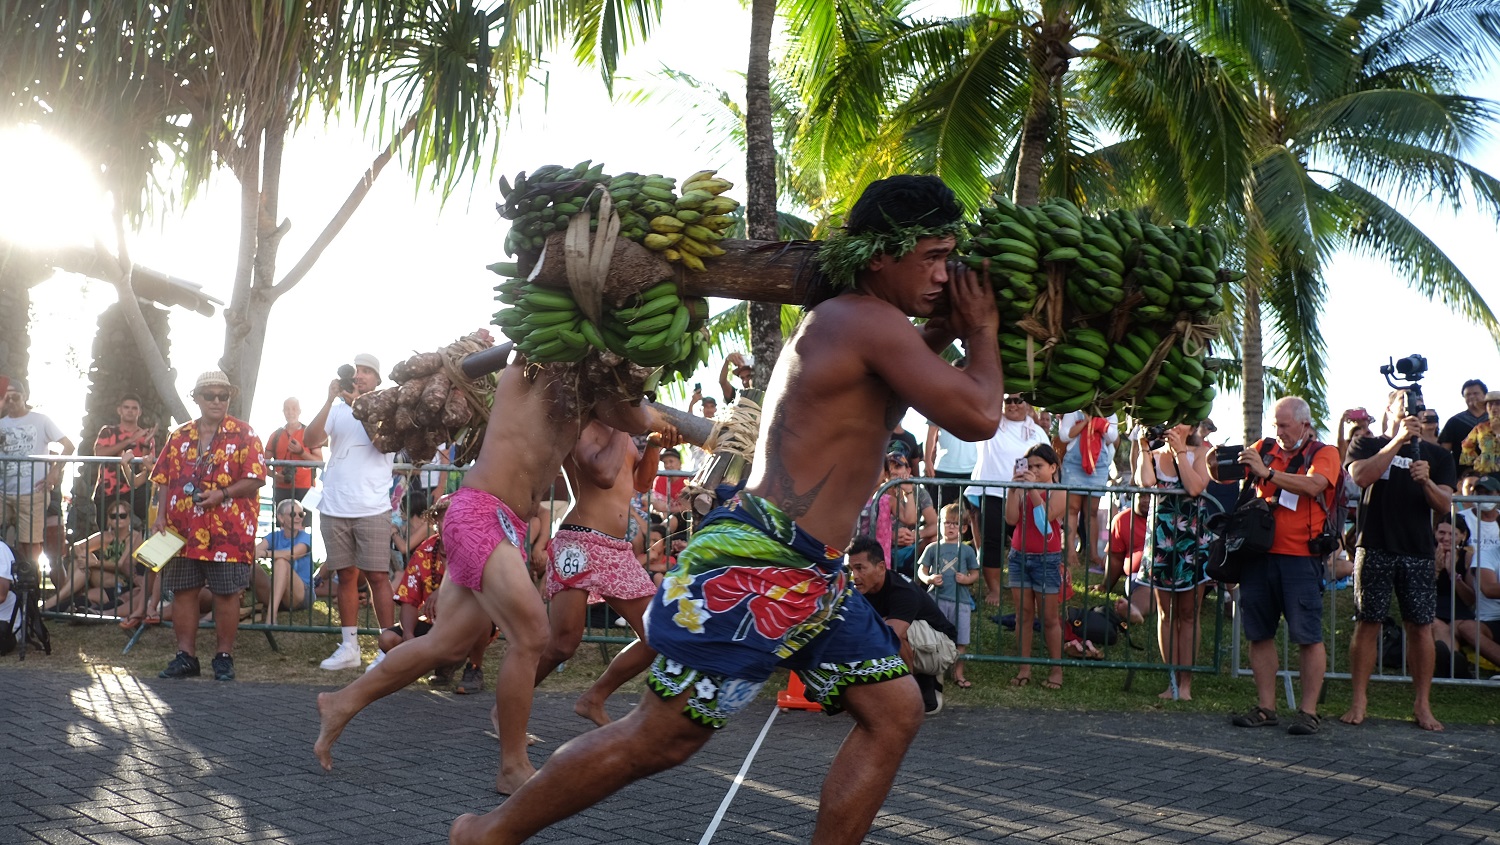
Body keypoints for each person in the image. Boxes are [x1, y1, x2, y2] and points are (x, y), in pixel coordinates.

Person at [448, 173, 1003, 845]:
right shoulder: (865, 320)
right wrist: (980, 331)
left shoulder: (864, 325)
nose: (947, 273)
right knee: (657, 739)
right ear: (881, 256)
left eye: (951, 257)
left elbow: (897, 389)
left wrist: (943, 333)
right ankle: (491, 832)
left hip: (812, 572)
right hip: (758, 566)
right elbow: (978, 415)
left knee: (895, 709)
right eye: (933, 257)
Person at [314, 347, 664, 796]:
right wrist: (638, 413)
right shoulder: (531, 366)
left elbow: (634, 419)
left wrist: (648, 414)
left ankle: (341, 703)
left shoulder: (583, 391)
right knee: (533, 635)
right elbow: (625, 428)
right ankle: (513, 766)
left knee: (448, 642)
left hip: (508, 524)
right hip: (480, 512)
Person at [535, 421, 674, 727]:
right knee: (563, 645)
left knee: (657, 633)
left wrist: (653, 444)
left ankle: (593, 699)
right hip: (579, 541)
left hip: (617, 548)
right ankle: (509, 704)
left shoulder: (621, 434)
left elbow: (641, 483)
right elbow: (604, 474)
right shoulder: (581, 425)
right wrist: (626, 426)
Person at [1342, 389, 1456, 730]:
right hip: (1374, 545)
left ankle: (1422, 705)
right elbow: (1360, 476)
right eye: (1403, 407)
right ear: (1389, 410)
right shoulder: (1368, 444)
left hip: (1417, 550)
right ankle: (1359, 701)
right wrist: (1397, 444)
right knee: (1368, 623)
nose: (1411, 414)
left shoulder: (1437, 456)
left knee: (1421, 627)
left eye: (1416, 410)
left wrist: (1426, 482)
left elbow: (1443, 504)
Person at [1224, 396, 1338, 735]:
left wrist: (1268, 472)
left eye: (1284, 425)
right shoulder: (1265, 447)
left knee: (1308, 635)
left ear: (1304, 424)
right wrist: (1217, 455)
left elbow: (1316, 484)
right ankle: (1266, 707)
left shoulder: (1323, 453)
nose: (1279, 431)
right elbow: (1226, 473)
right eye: (1276, 425)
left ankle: (1308, 712)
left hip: (1301, 558)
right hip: (1258, 555)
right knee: (1259, 632)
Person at [150, 371, 267, 682]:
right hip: (181, 528)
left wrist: (223, 494)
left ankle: (223, 657)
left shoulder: (245, 434)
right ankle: (186, 656)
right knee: (183, 592)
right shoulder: (178, 436)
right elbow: (163, 478)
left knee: (227, 594)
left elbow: (256, 477)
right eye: (210, 395)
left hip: (229, 530)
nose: (217, 401)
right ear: (197, 398)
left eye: (223, 396)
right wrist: (160, 516)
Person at [304, 353, 396, 672]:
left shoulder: (388, 406)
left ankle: (388, 650)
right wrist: (329, 399)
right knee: (345, 576)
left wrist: (360, 405)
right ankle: (350, 647)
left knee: (378, 577)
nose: (359, 375)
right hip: (334, 504)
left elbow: (382, 443)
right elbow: (310, 439)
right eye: (356, 370)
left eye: (367, 371)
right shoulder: (338, 407)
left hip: (372, 506)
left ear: (378, 379)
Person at [1133, 423, 1214, 701]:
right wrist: (1144, 446)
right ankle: (1171, 682)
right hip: (1161, 543)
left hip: (1192, 543)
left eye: (1182, 420)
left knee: (1189, 614)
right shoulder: (1154, 455)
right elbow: (1145, 482)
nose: (1175, 426)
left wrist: (1181, 453)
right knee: (1165, 614)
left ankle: (1186, 683)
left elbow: (1194, 487)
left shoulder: (1201, 453)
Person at [848, 537, 960, 713]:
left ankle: (911, 691)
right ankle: (921, 680)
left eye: (860, 568)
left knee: (887, 632)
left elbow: (890, 637)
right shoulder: (858, 590)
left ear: (881, 568)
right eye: (851, 569)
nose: (854, 575)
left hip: (943, 647)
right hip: (919, 641)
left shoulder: (902, 591)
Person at [965, 393, 1048, 604]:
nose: (1012, 404)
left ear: (1027, 404)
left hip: (1027, 495)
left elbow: (1048, 462)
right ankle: (994, 589)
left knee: (1028, 542)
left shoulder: (1037, 432)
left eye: (1017, 400)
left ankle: (1030, 585)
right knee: (991, 541)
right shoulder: (989, 424)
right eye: (1007, 400)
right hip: (992, 492)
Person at [1004, 443, 1067, 689]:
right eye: (1029, 466)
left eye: (1038, 466)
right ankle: (1024, 668)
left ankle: (1057, 671)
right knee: (1023, 616)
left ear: (1053, 467)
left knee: (1050, 618)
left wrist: (1030, 490)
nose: (1033, 470)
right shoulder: (1022, 488)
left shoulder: (1059, 491)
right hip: (1019, 557)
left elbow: (1043, 524)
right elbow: (1011, 519)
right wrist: (1013, 489)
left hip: (1046, 559)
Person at [0, 379, 74, 571]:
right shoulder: (1, 422)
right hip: (2, 492)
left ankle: (30, 593)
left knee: (30, 546)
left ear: (24, 396)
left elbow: (68, 445)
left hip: (32, 493)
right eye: (6, 398)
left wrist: (55, 471)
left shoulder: (41, 420)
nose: (10, 402)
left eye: (14, 397)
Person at [917, 503, 979, 688]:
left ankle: (958, 673)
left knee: (961, 638)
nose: (950, 527)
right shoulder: (932, 548)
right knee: (935, 637)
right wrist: (928, 579)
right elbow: (922, 571)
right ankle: (936, 672)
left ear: (964, 528)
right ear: (939, 525)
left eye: (955, 523)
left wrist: (967, 580)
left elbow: (975, 573)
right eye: (946, 523)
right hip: (937, 599)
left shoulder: (967, 550)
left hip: (960, 602)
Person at [42, 501, 143, 614]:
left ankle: (55, 601)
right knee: (78, 562)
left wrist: (94, 563)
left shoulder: (134, 537)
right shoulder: (106, 536)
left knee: (83, 564)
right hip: (101, 576)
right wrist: (83, 557)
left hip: (121, 579)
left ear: (129, 518)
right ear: (109, 519)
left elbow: (121, 565)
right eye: (114, 516)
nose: (118, 519)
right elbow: (75, 547)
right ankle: (61, 600)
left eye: (122, 516)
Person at [1058, 411, 1119, 572]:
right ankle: (1070, 551)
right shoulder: (1073, 411)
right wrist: (1085, 422)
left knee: (1092, 512)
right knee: (1072, 509)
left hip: (1098, 465)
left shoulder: (1109, 412)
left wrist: (1098, 422)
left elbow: (1112, 437)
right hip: (1073, 465)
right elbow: (1065, 436)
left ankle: (1093, 553)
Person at [92, 392, 158, 525]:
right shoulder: (108, 431)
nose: (130, 411)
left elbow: (144, 468)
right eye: (126, 407)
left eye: (134, 408)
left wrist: (146, 443)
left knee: (136, 532)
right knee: (106, 533)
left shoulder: (145, 436)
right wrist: (131, 439)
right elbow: (99, 453)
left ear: (139, 412)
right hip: (108, 490)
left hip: (133, 493)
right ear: (119, 410)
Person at [254, 499, 312, 626]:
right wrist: (258, 552)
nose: (298, 518)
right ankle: (228, 605)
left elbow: (292, 554)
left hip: (301, 595)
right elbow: (256, 551)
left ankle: (271, 617)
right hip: (280, 594)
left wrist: (266, 553)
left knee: (281, 561)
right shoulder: (274, 536)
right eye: (293, 514)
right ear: (281, 518)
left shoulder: (305, 537)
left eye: (300, 514)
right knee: (251, 566)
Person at [265, 397, 321, 528]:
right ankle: (282, 548)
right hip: (282, 487)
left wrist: (301, 452)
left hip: (307, 488)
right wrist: (276, 476)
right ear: (283, 412)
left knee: (305, 527)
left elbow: (319, 461)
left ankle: (303, 549)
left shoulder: (310, 433)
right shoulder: (275, 435)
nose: (291, 412)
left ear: (300, 411)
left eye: (294, 409)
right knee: (282, 526)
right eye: (287, 409)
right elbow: (263, 463)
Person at [925, 416, 978, 514]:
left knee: (972, 515)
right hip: (944, 469)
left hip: (972, 470)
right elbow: (931, 434)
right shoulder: (939, 406)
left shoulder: (977, 404)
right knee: (939, 514)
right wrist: (927, 461)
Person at [1439, 379, 1489, 467]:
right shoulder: (1454, 421)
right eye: (1468, 395)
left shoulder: (1495, 420)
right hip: (1463, 473)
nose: (1472, 397)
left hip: (1494, 471)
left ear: (1485, 395)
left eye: (1476, 393)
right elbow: (1443, 452)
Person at [1458, 389, 1500, 479]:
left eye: (1497, 404)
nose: (1493, 408)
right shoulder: (1481, 428)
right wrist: (1475, 461)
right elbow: (1466, 445)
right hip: (1485, 473)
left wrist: (1497, 433)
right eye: (1490, 404)